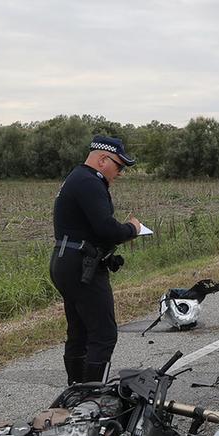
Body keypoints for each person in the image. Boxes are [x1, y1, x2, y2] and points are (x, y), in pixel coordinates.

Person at [50, 135, 143, 384]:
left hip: (66, 260)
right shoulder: (90, 182)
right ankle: (92, 397)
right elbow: (107, 229)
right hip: (81, 265)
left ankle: (77, 391)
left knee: (79, 332)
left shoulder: (77, 178)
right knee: (103, 334)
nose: (120, 172)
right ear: (103, 159)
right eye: (119, 165)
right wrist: (132, 229)